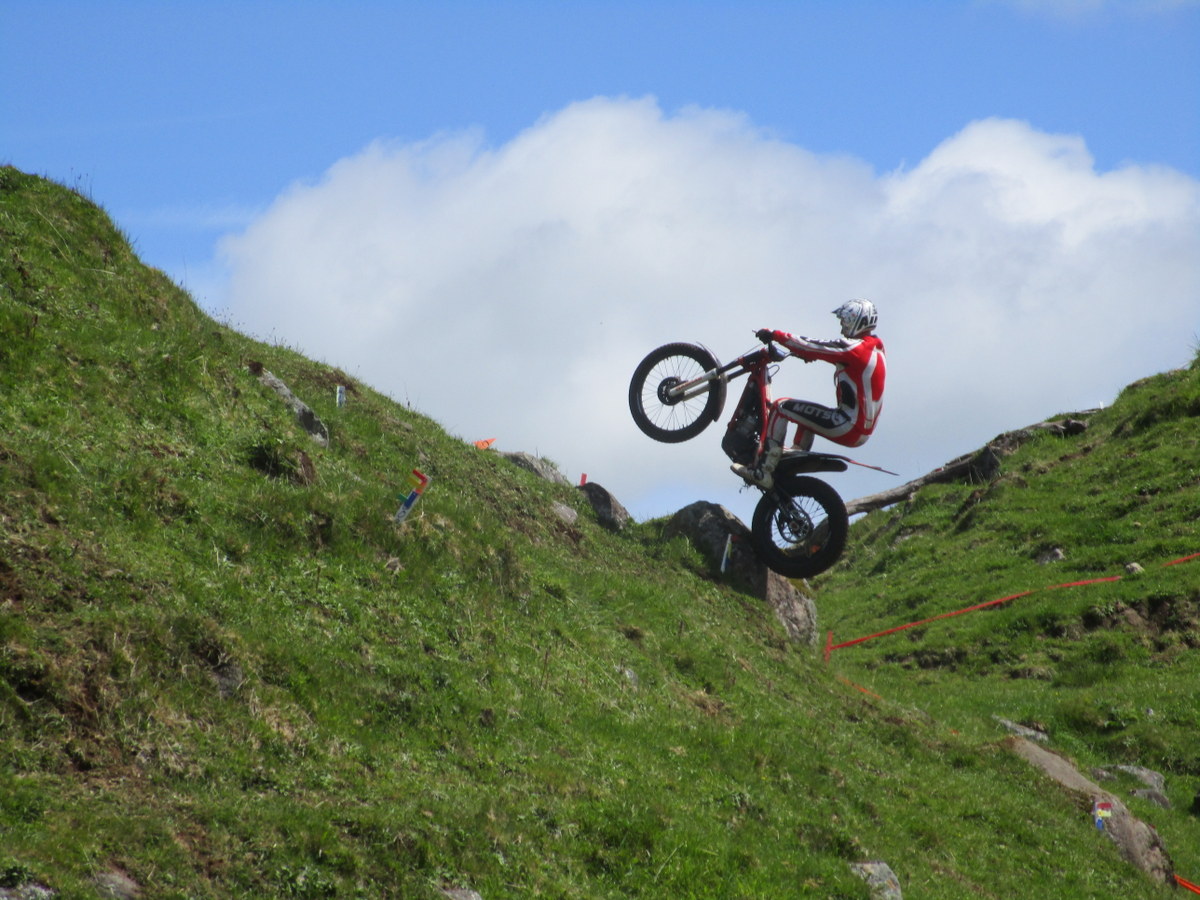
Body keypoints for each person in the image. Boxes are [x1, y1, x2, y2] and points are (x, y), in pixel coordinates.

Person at [731, 298, 886, 489]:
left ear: (858, 321)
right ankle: (794, 455)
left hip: (848, 425)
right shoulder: (876, 349)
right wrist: (807, 354)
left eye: (845, 322)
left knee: (781, 407)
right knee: (806, 412)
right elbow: (840, 358)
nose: (842, 328)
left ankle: (763, 471)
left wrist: (774, 335)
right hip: (860, 429)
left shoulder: (854, 348)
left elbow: (810, 344)